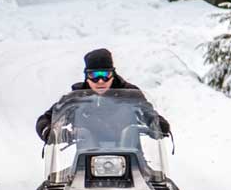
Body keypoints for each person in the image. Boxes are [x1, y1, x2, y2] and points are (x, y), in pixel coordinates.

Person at [34, 48, 171, 141]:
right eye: (94, 75)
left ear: (113, 74)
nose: (100, 81)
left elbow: (147, 112)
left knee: (153, 181)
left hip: (131, 156)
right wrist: (48, 131)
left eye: (105, 75)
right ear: (86, 76)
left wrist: (157, 124)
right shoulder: (77, 97)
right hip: (85, 158)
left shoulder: (130, 95)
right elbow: (48, 117)